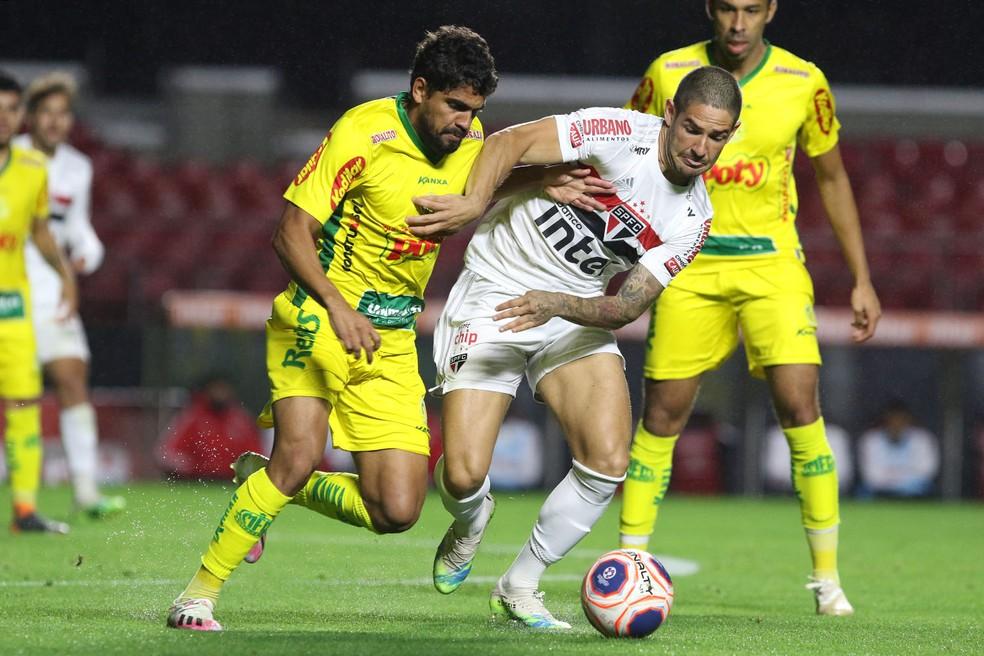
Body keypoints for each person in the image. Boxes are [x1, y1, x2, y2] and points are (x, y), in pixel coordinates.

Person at [166, 25, 507, 632]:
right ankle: (198, 595)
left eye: (474, 110)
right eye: (455, 106)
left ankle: (270, 483)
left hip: (391, 340)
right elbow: (290, 232)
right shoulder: (363, 132)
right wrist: (335, 304)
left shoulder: (470, 138)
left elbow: (497, 173)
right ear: (420, 89)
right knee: (298, 454)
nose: (465, 122)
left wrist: (547, 180)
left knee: (396, 510)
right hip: (317, 315)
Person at [407, 66, 742, 628]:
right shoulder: (617, 132)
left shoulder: (693, 218)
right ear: (670, 115)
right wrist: (472, 203)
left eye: (717, 137)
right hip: (496, 290)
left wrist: (557, 304)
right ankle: (470, 520)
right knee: (462, 476)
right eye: (692, 129)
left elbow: (627, 306)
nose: (700, 148)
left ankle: (520, 584)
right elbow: (508, 142)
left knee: (608, 461)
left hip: (571, 310)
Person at [619, 0, 882, 617]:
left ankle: (827, 582)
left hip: (772, 262)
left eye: (752, 10)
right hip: (687, 260)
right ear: (711, 9)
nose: (739, 24)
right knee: (662, 415)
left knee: (800, 406)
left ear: (771, 11)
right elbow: (628, 153)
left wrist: (862, 278)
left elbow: (833, 177)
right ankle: (631, 564)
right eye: (729, 9)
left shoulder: (803, 81)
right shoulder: (668, 72)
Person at [12, 72, 124, 518]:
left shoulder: (78, 167)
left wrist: (90, 252)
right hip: (11, 285)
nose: (56, 122)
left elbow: (76, 226)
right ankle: (24, 498)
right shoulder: (11, 156)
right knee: (16, 392)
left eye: (63, 113)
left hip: (53, 289)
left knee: (72, 376)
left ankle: (86, 490)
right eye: (47, 113)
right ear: (30, 117)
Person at [0, 70, 77, 534]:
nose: (3, 119)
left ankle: (25, 511)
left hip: (11, 309)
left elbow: (41, 230)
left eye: (11, 109)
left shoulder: (32, 168)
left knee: (24, 405)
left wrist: (65, 277)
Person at [157, 374, 265, 480]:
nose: (220, 393)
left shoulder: (242, 420)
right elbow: (168, 453)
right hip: (196, 481)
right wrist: (185, 465)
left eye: (223, 388)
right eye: (216, 388)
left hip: (231, 481)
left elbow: (256, 456)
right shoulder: (191, 418)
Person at [857, 400, 938, 498]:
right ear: (885, 420)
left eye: (901, 419)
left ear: (908, 420)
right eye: (893, 420)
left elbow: (926, 471)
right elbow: (871, 475)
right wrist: (896, 481)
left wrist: (899, 481)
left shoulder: (922, 438)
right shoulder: (871, 440)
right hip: (880, 491)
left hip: (915, 491)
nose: (896, 423)